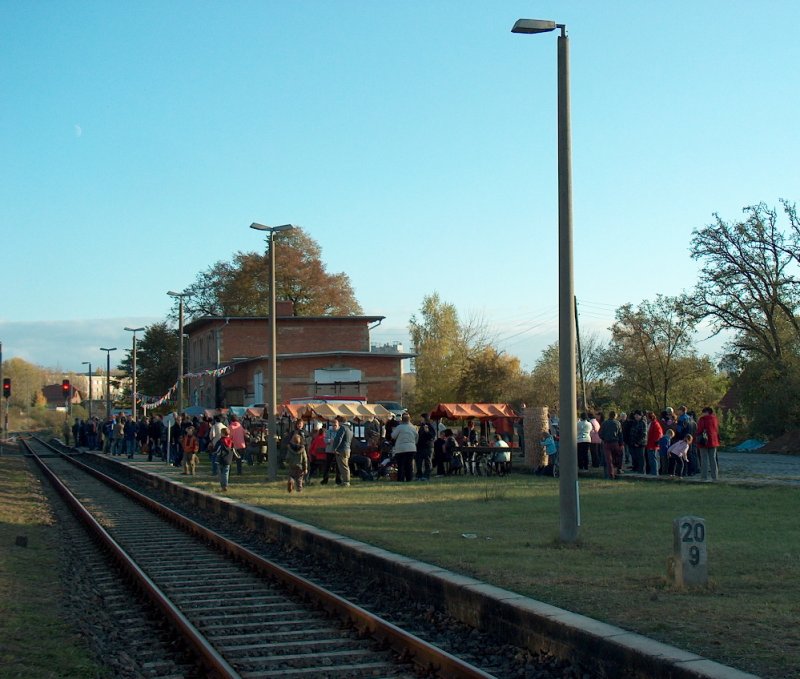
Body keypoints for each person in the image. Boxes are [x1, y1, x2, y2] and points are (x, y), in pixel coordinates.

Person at [696, 407, 721, 481]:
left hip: (703, 441)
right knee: (713, 459)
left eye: (703, 412)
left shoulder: (702, 419)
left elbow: (700, 430)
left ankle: (704, 477)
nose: (702, 414)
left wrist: (697, 436)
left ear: (707, 412)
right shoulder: (715, 419)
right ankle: (715, 476)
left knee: (704, 459)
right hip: (713, 441)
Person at [391, 413, 418, 482]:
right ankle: (409, 478)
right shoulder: (413, 427)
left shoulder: (399, 427)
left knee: (401, 465)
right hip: (411, 448)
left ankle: (401, 479)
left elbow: (393, 436)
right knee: (409, 465)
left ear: (402, 420)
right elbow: (417, 437)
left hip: (401, 449)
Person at [599, 411, 623, 479]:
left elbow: (600, 433)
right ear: (615, 416)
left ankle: (610, 475)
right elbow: (620, 434)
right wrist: (621, 444)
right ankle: (618, 469)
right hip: (615, 442)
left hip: (606, 443)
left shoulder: (604, 423)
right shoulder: (617, 423)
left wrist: (603, 438)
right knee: (617, 457)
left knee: (608, 459)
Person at [331, 416, 353, 487]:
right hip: (348, 449)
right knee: (345, 465)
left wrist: (334, 448)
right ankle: (346, 481)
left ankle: (346, 482)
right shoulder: (350, 428)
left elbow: (338, 439)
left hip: (342, 449)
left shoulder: (343, 428)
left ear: (340, 421)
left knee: (343, 466)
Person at [215, 426, 237, 492]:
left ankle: (222, 486)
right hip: (228, 459)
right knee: (226, 473)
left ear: (223, 433)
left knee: (220, 473)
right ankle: (225, 485)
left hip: (221, 458)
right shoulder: (231, 441)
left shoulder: (220, 441)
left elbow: (216, 449)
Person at [415, 414, 436, 480]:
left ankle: (426, 476)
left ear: (424, 418)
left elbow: (432, 436)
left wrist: (427, 432)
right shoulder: (421, 426)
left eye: (421, 418)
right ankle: (419, 475)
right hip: (420, 447)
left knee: (427, 462)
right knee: (418, 462)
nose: (420, 419)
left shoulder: (429, 426)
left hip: (427, 447)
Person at [645, 411, 662, 476]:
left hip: (653, 444)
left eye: (647, 417)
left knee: (653, 459)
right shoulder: (652, 423)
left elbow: (659, 434)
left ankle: (655, 473)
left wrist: (655, 442)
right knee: (651, 459)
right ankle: (653, 472)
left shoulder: (655, 424)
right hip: (650, 444)